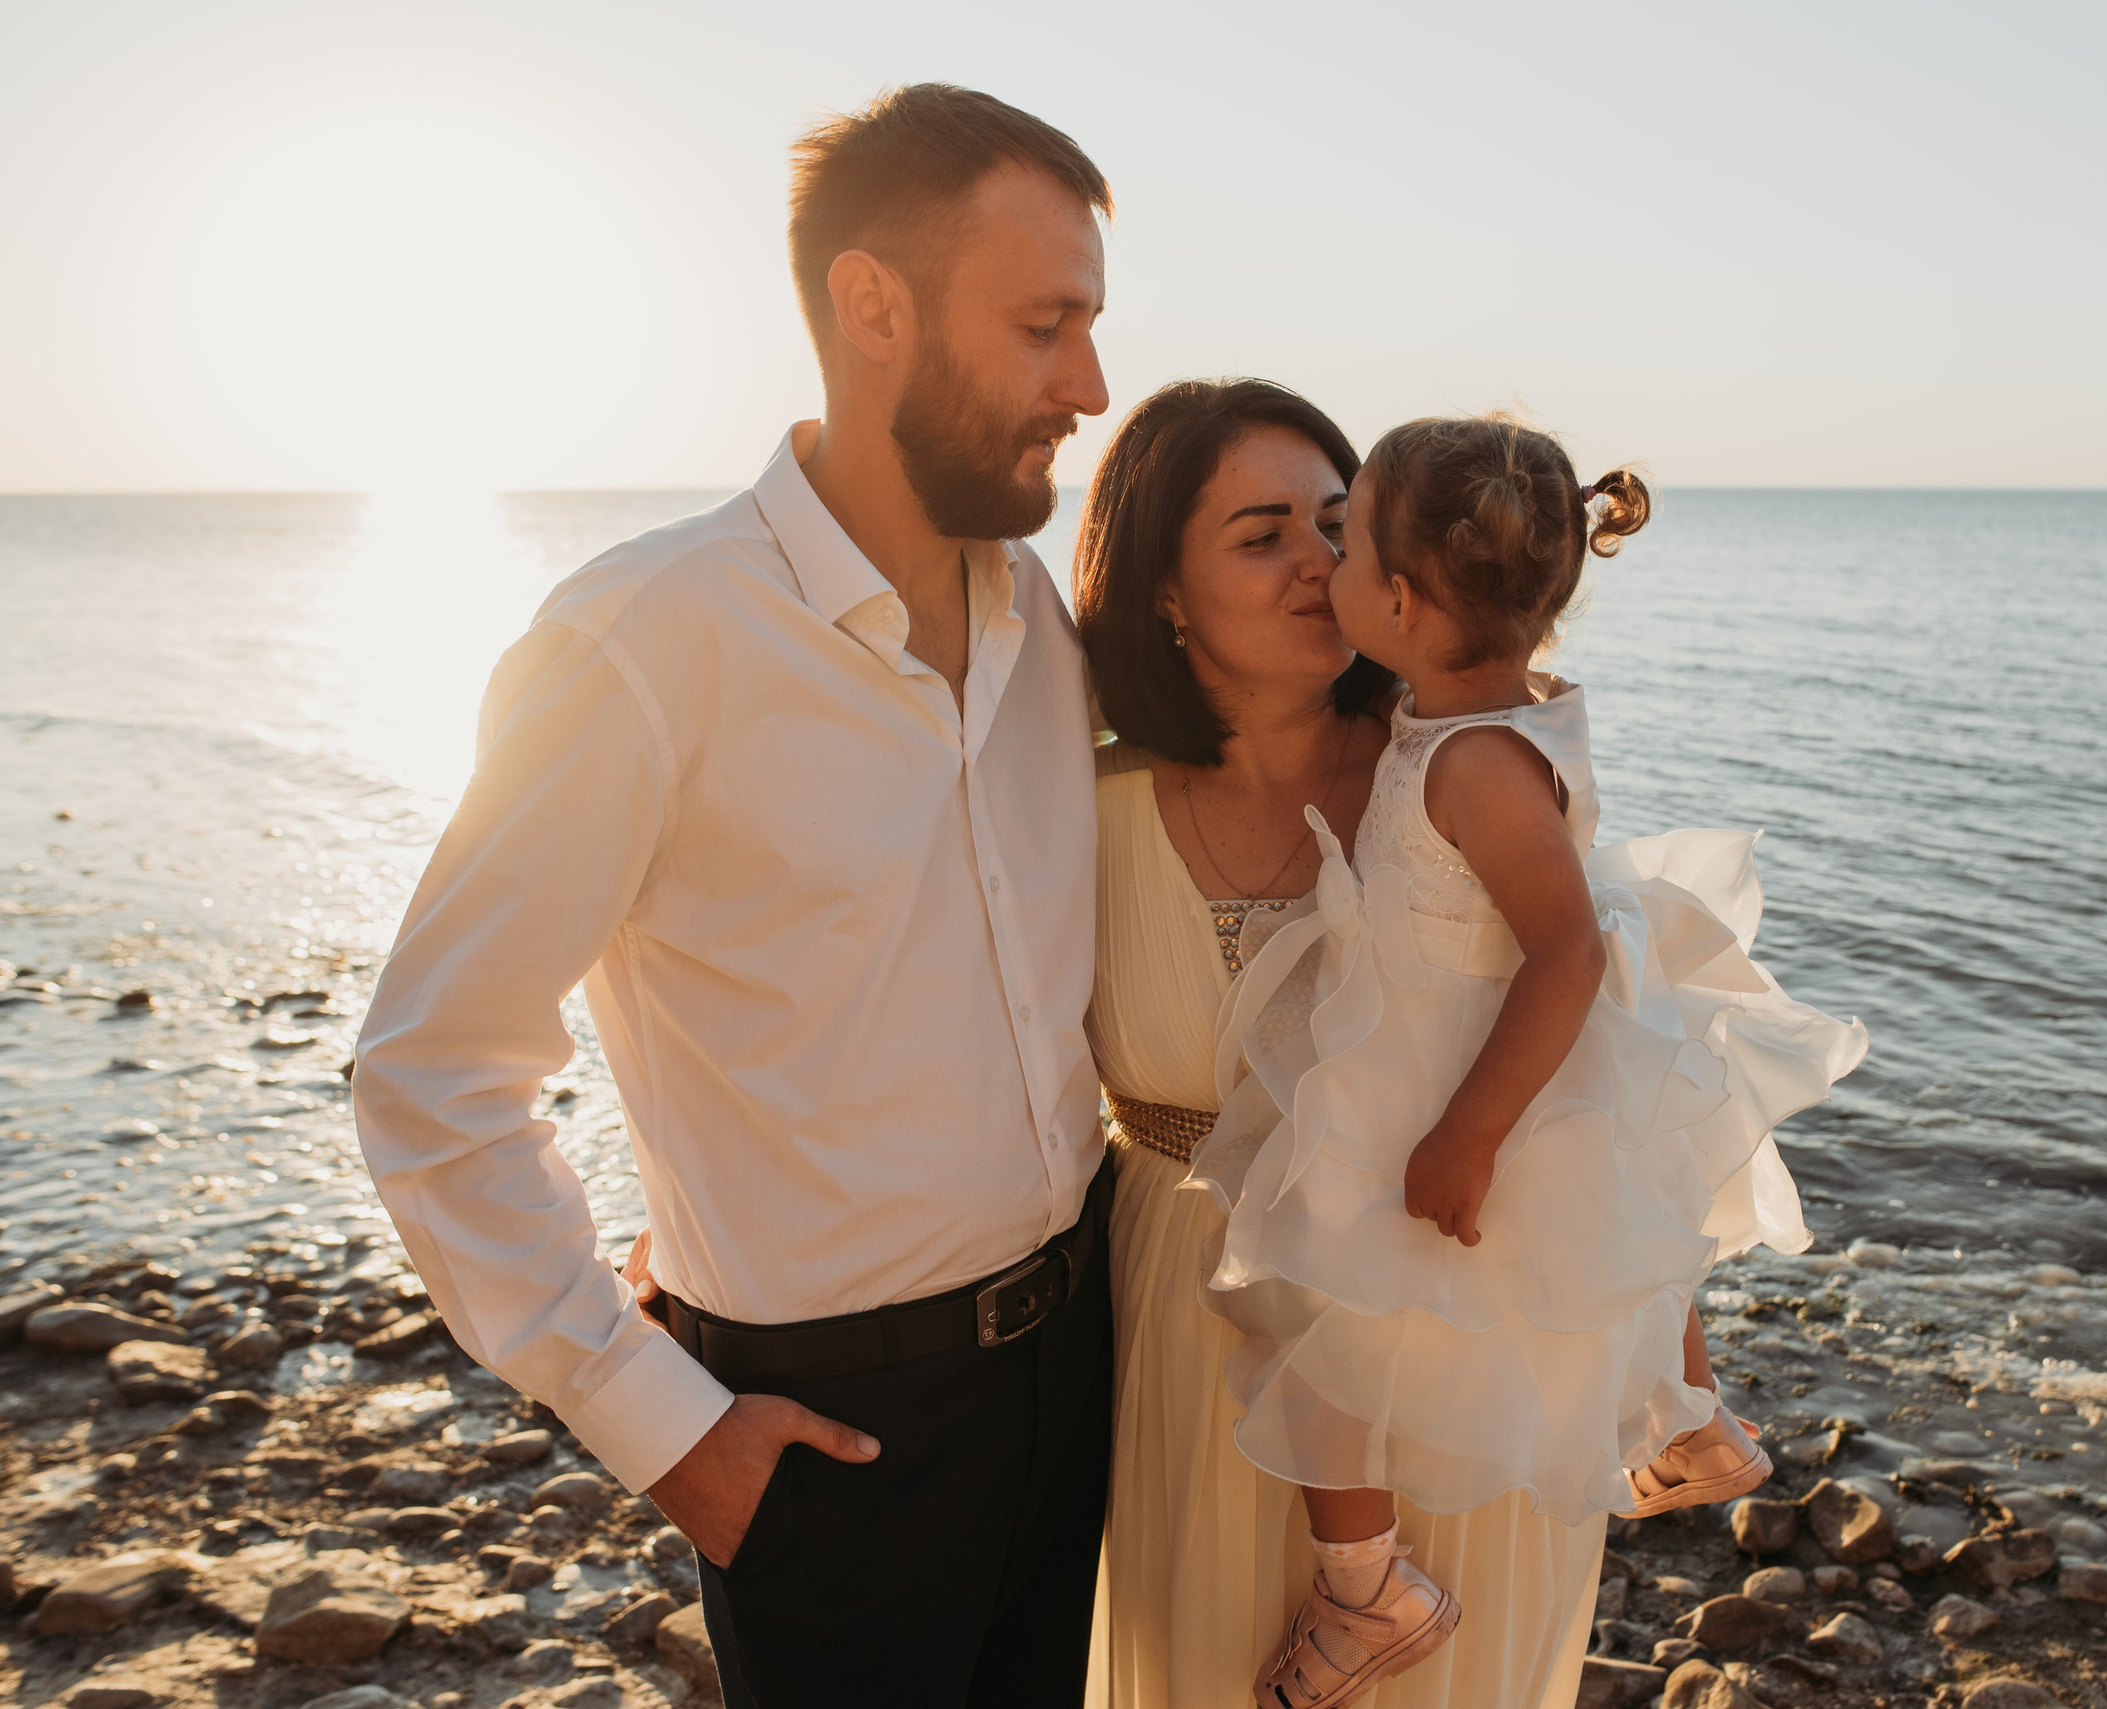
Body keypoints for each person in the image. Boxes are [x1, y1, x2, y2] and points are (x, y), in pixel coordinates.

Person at [351, 85, 1117, 1707]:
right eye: (1047, 324)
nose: (1092, 386)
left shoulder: (1045, 623)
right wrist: (662, 1424)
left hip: (1086, 1360)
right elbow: (430, 1076)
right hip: (842, 1445)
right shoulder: (639, 644)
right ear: (872, 307)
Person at [1185, 415, 1870, 1707]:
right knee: (1622, 1226)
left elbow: (1560, 952)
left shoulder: (1480, 762)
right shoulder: (1466, 705)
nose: (1319, 562)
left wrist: (1470, 1131)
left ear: (1396, 599)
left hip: (1452, 1070)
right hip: (1459, 1032)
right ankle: (1693, 1419)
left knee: (1311, 1312)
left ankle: (1365, 1587)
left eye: (1342, 538)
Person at [1070, 378, 1621, 1709]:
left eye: (1335, 522)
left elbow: (1603, 1018)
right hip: (1183, 1326)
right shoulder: (1073, 798)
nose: (1319, 562)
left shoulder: (1454, 774)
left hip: (1439, 1324)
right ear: (1164, 586)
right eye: (1263, 536)